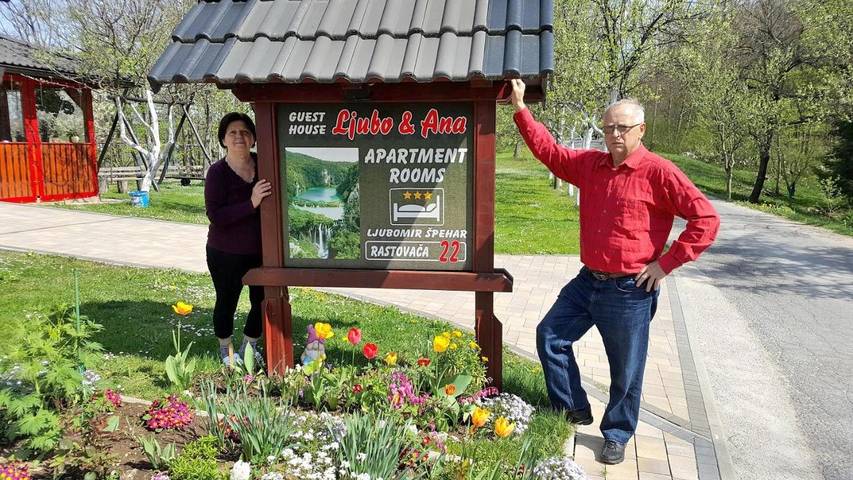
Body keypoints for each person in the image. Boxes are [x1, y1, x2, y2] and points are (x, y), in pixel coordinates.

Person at [510, 79, 720, 464]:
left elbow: (706, 220)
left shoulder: (660, 172)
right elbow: (552, 153)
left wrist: (666, 263)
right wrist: (522, 110)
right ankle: (573, 408)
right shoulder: (591, 165)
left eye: (622, 128)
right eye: (608, 128)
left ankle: (617, 433)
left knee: (626, 370)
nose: (614, 135)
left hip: (630, 290)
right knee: (550, 336)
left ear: (641, 130)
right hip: (587, 280)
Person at [205, 112, 272, 366]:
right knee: (227, 300)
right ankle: (226, 349)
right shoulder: (217, 173)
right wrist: (251, 203)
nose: (239, 137)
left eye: (245, 132)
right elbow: (216, 215)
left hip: (263, 251)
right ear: (223, 139)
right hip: (225, 252)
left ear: (253, 138)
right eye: (232, 132)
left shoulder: (265, 164)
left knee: (261, 301)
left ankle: (249, 346)